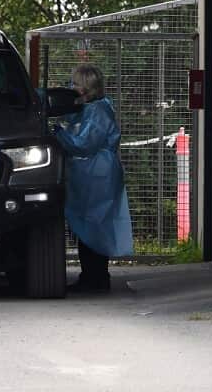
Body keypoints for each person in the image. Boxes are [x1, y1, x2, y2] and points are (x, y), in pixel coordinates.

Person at [55, 63, 133, 293]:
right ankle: (92, 276)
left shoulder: (98, 110)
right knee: (90, 226)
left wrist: (59, 133)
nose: (72, 87)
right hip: (94, 174)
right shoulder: (92, 108)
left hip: (97, 174)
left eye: (75, 83)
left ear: (86, 87)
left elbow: (84, 144)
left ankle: (95, 278)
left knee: (93, 226)